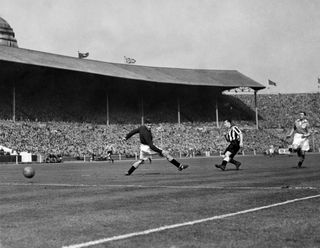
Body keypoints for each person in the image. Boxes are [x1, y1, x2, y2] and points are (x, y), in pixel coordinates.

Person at [122, 121, 189, 175]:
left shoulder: (141, 127)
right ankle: (180, 166)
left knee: (140, 161)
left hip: (142, 147)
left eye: (151, 125)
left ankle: (129, 172)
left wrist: (126, 137)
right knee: (166, 153)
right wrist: (160, 151)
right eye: (148, 125)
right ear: (145, 125)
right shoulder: (146, 134)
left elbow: (133, 132)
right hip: (148, 148)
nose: (150, 126)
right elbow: (151, 146)